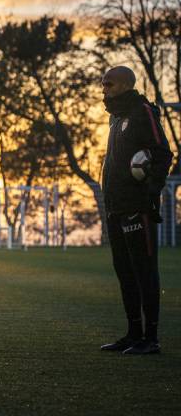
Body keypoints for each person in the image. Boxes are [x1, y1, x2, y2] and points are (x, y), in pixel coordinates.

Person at [99, 66, 174, 355]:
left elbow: (163, 154)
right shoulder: (116, 118)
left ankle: (151, 338)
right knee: (125, 271)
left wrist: (149, 191)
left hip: (137, 207)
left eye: (109, 83)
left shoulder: (143, 112)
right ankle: (132, 334)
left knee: (144, 270)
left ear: (127, 85)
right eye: (103, 83)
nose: (103, 88)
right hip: (115, 207)